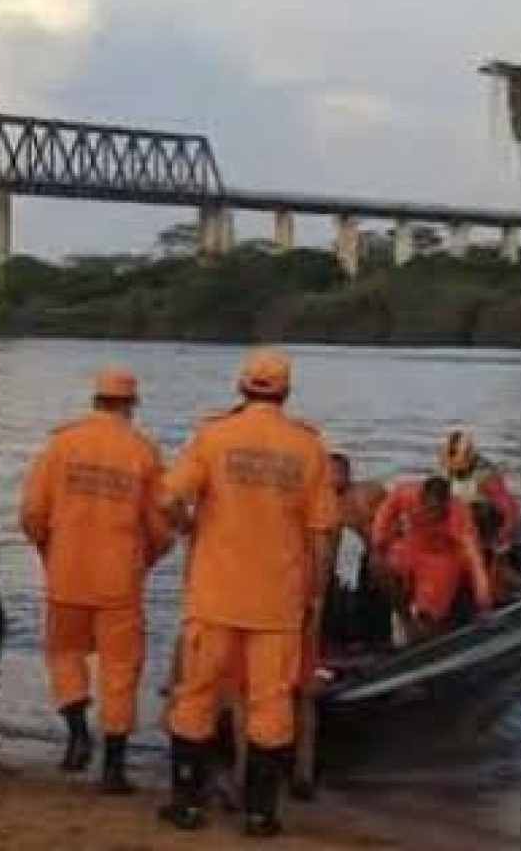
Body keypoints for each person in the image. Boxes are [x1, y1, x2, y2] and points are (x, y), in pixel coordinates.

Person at [160, 349, 337, 838]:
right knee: (271, 706)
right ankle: (261, 814)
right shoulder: (309, 447)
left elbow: (168, 498)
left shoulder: (213, 436)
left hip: (214, 597)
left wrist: (187, 526)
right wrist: (314, 598)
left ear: (242, 388)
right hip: (277, 605)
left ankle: (186, 805)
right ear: (284, 391)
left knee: (196, 697)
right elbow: (322, 536)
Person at [20, 368, 172, 795]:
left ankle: (77, 733)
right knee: (120, 671)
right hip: (119, 580)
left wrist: (48, 551)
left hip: (66, 573)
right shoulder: (143, 452)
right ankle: (114, 770)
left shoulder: (60, 445)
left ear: (95, 401)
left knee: (63, 654)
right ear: (130, 405)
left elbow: (32, 513)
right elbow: (161, 528)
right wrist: (144, 562)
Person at [370, 474, 491, 639]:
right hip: (413, 546)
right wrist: (379, 542)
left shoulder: (460, 517)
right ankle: (405, 619)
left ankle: (432, 619)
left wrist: (484, 603)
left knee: (429, 621)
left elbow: (475, 561)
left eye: (436, 510)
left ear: (446, 504)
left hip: (443, 557)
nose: (430, 514)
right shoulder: (405, 492)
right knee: (378, 565)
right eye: (427, 507)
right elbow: (385, 513)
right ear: (420, 498)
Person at [322, 451, 391, 650]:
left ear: (347, 473)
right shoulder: (326, 501)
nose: (331, 478)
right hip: (357, 554)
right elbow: (329, 544)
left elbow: (388, 526)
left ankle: (380, 639)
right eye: (328, 473)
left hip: (380, 549)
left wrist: (376, 554)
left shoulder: (367, 493)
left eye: (336, 473)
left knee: (375, 575)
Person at [439, 430, 521, 597]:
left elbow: (509, 513)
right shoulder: (446, 473)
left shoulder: (485, 477)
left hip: (490, 529)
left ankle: (501, 582)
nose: (455, 471)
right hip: (461, 530)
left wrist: (501, 541)